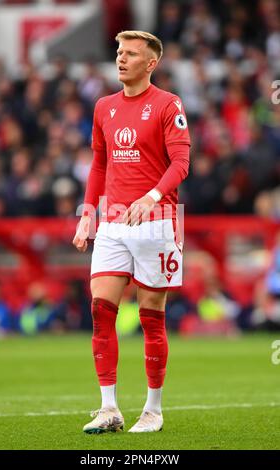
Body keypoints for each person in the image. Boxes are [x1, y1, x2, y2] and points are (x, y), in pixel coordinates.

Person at [73, 30, 190, 434]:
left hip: (157, 223)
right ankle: (109, 409)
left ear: (151, 63)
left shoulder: (167, 104)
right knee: (100, 311)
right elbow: (99, 164)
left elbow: (181, 163)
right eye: (119, 52)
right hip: (113, 223)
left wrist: (153, 196)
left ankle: (153, 410)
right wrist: (88, 212)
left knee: (151, 317)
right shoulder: (104, 106)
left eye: (131, 54)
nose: (121, 59)